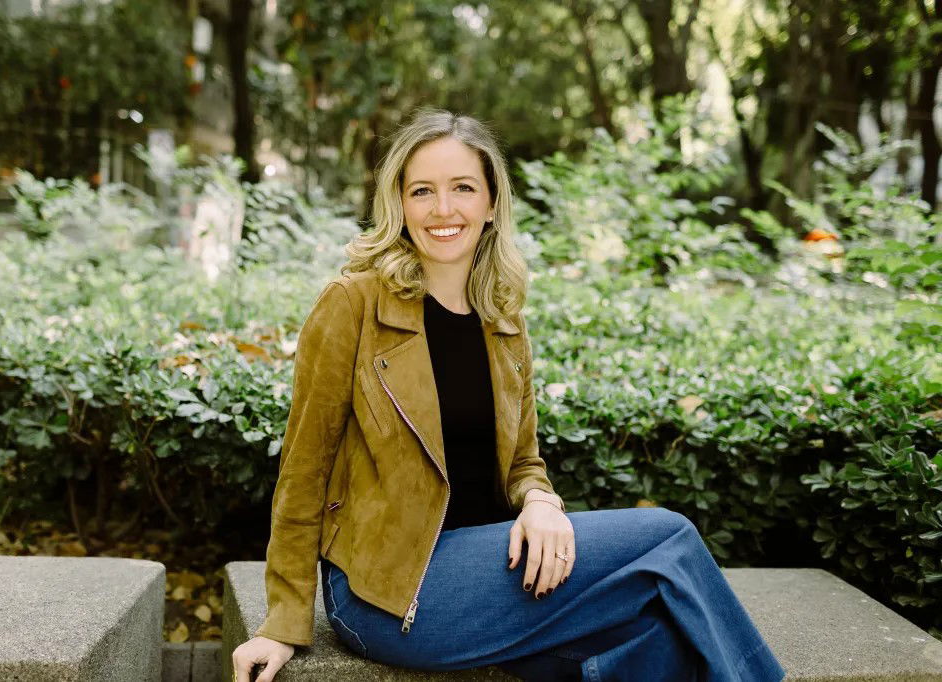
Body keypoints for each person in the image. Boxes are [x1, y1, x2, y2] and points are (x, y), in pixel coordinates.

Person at [232, 107, 786, 682]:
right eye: (422, 191)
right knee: (670, 538)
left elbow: (523, 462)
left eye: (463, 188)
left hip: (496, 571)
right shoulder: (354, 304)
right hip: (388, 590)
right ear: (399, 203)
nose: (443, 209)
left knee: (665, 637)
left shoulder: (502, 318)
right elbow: (304, 470)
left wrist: (541, 503)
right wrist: (282, 624)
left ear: (492, 203)